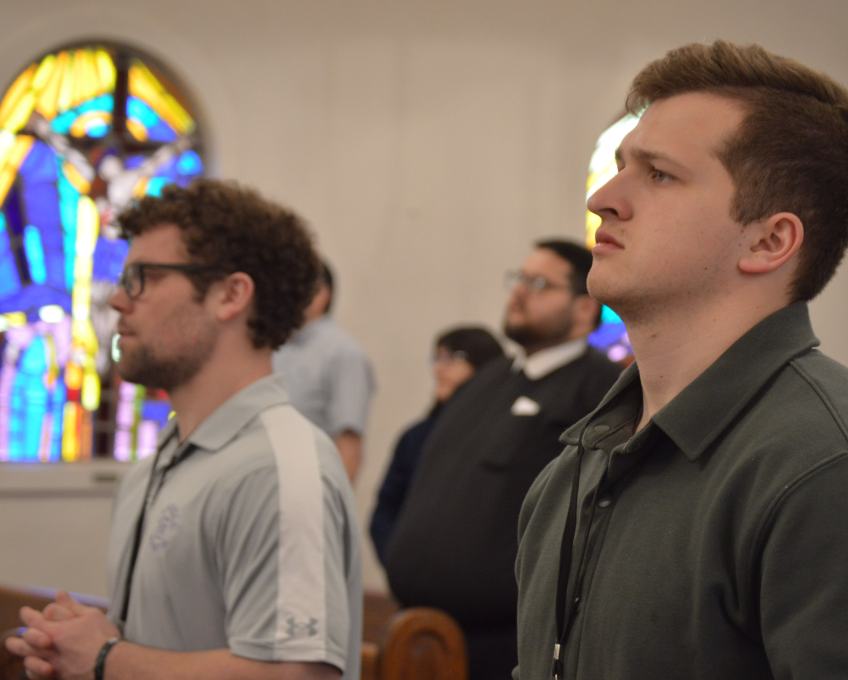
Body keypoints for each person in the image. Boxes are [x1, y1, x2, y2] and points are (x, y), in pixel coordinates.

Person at [514, 41, 848, 679]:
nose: (603, 200)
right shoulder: (578, 467)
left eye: (659, 174)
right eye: (621, 165)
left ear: (769, 241)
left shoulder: (846, 479)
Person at [5, 179, 361, 680]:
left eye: (142, 278)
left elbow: (294, 675)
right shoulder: (157, 467)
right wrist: (82, 647)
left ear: (230, 295)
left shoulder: (278, 468)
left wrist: (106, 658)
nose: (118, 301)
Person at [384, 239, 621, 680]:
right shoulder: (488, 380)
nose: (519, 292)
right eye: (519, 279)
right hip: (419, 634)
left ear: (584, 308)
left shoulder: (598, 390)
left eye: (539, 284)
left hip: (502, 647)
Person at [369, 325, 505, 562]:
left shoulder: (504, 434)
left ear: (486, 367)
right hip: (412, 569)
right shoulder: (416, 436)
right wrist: (396, 561)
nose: (439, 369)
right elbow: (386, 510)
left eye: (453, 358)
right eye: (438, 358)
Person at [274, 259, 375, 481]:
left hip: (308, 484)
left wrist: (334, 498)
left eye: (293, 286)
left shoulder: (343, 353)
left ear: (322, 294)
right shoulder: (276, 346)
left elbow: (349, 442)